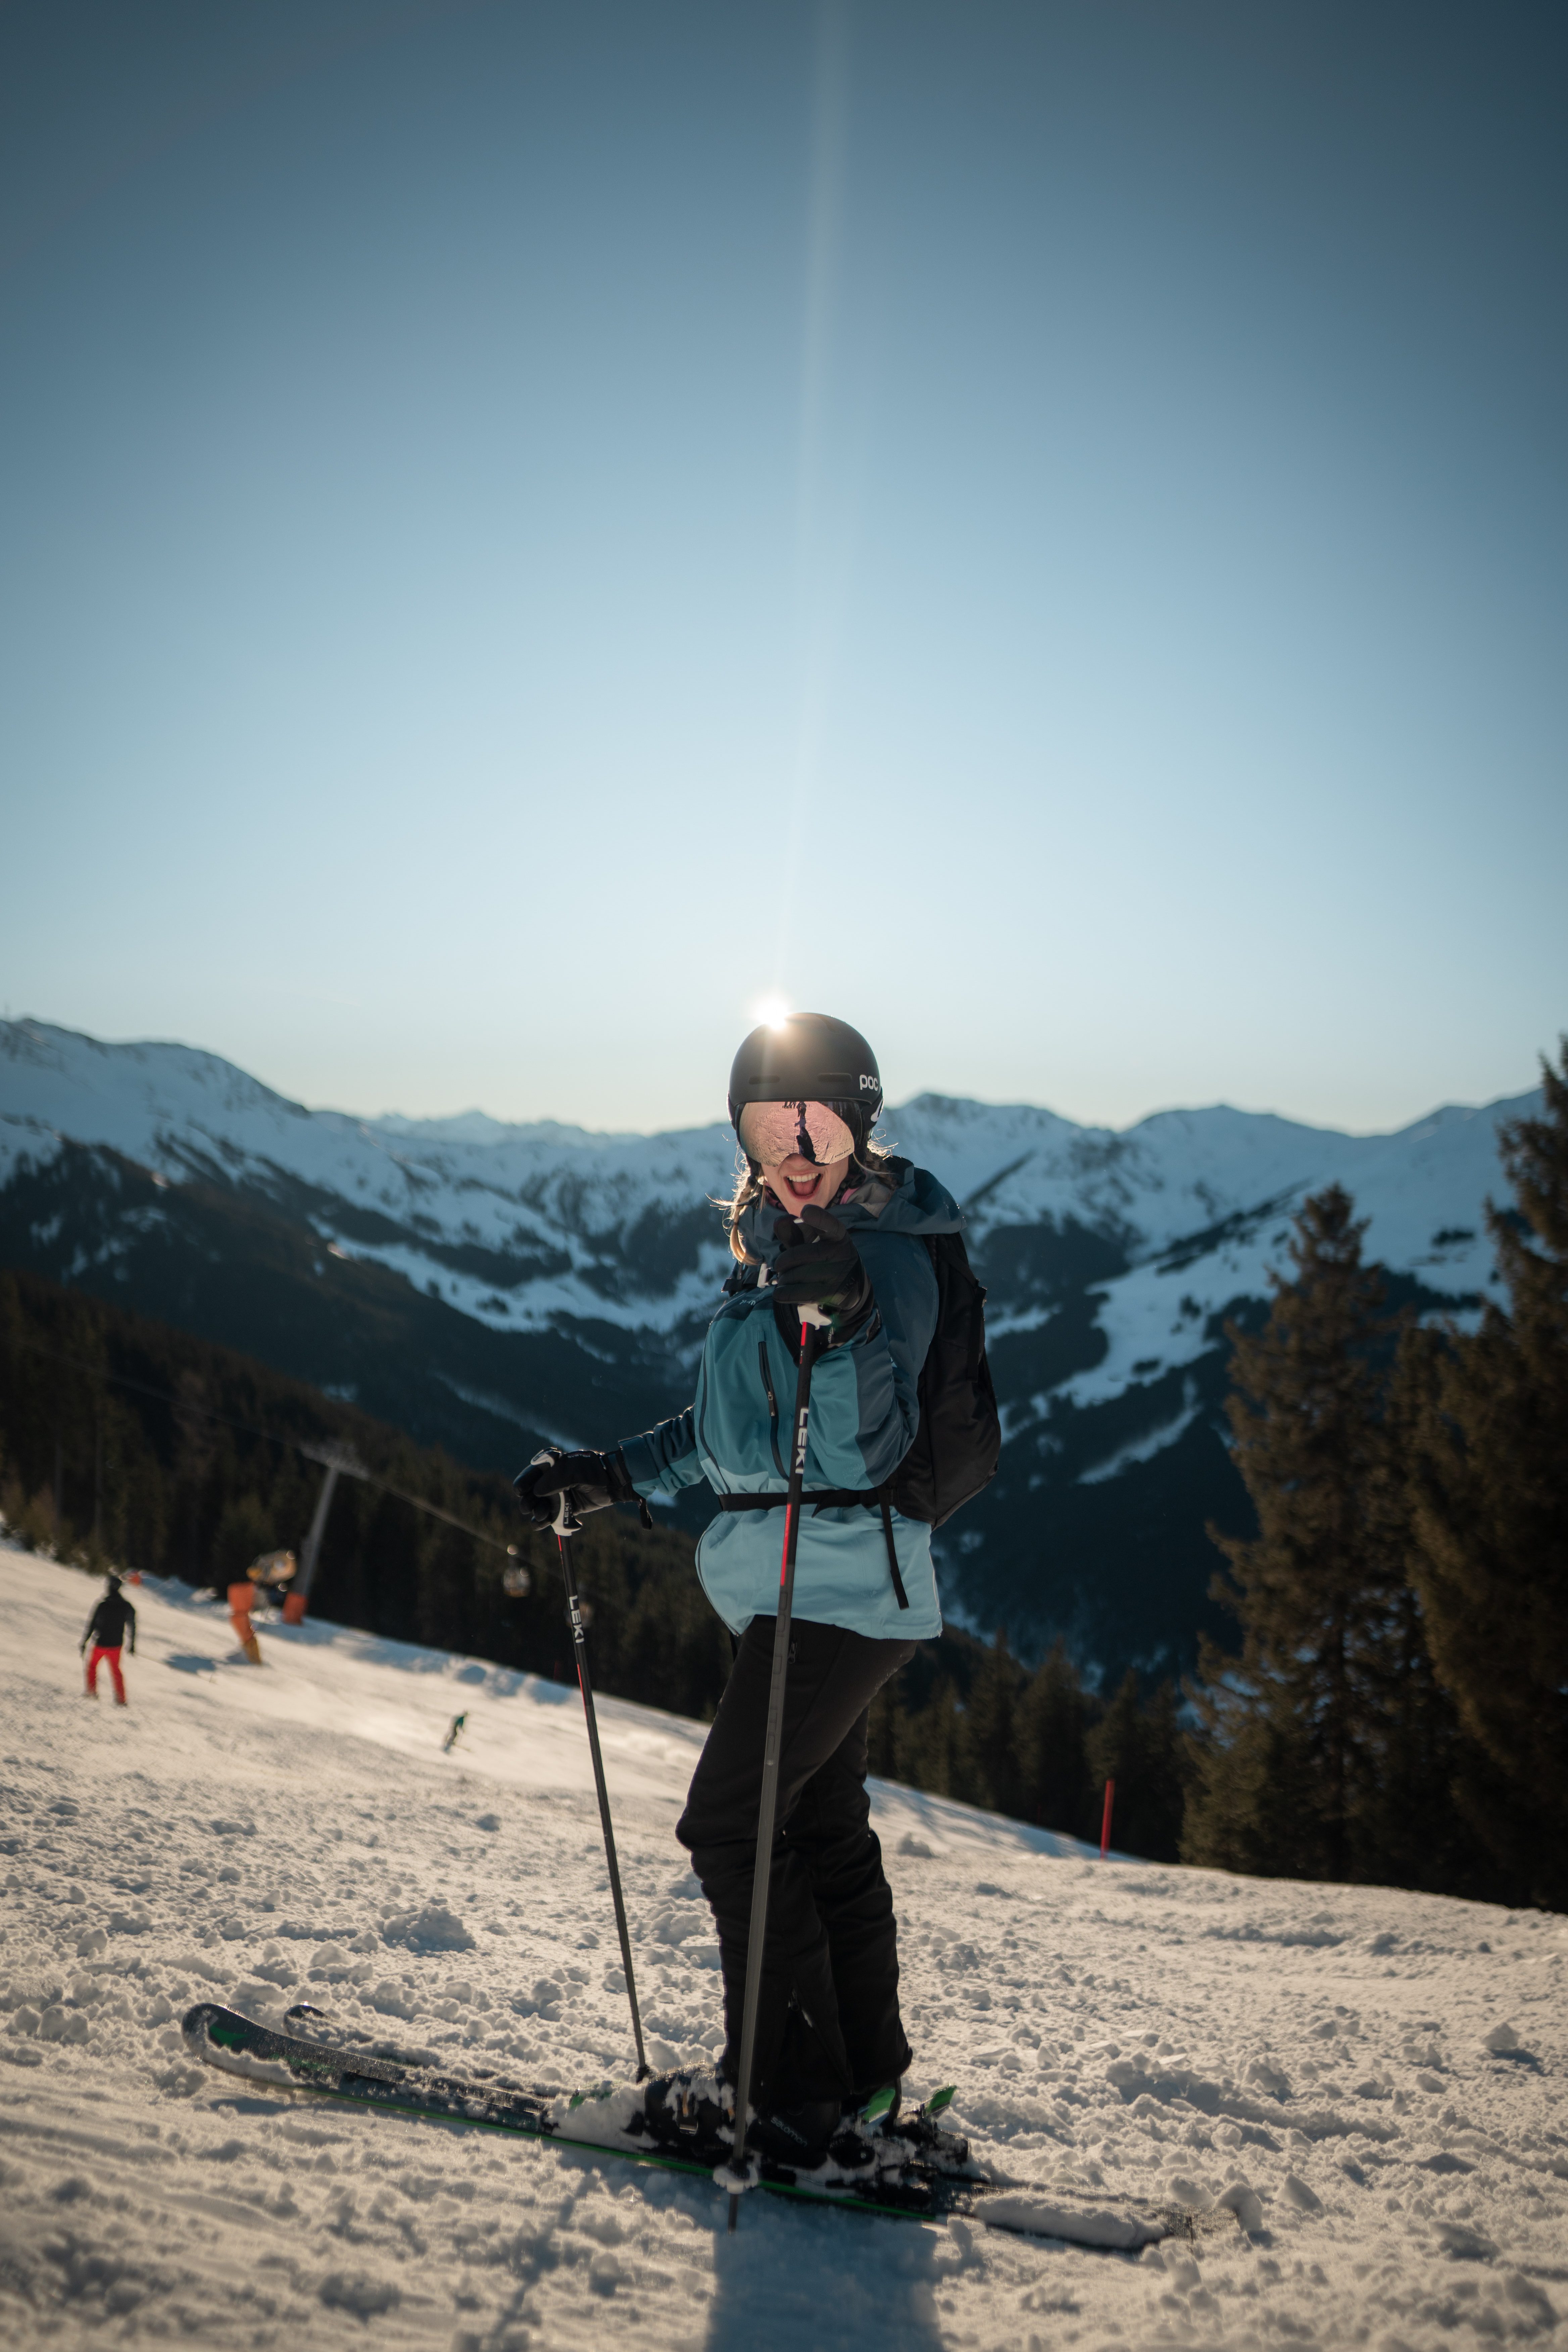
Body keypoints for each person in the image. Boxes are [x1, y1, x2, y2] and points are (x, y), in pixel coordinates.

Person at [515, 1012, 962, 2163]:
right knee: (816, 1823)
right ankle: (864, 2083)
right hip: (793, 1586)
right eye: (770, 1123)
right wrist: (612, 1472)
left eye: (817, 1118)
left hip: (846, 1582)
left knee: (728, 1820)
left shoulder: (888, 1252)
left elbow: (869, 1447)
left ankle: (784, 2093)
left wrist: (847, 1315)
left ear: (860, 1121)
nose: (795, 1143)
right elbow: (731, 1439)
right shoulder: (772, 1249)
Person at [80, 1574, 137, 1704]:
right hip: (117, 1645)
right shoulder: (126, 1606)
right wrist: (132, 1644)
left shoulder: (103, 1605)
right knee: (116, 1671)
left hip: (101, 1643)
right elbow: (132, 1626)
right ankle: (121, 1699)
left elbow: (92, 1624)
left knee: (92, 1666)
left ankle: (92, 1692)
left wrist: (85, 1641)